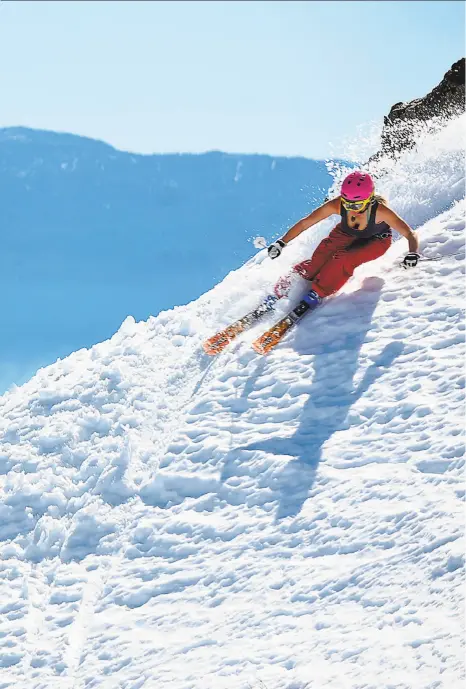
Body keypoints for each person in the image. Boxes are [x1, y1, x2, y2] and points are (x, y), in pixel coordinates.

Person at [267, 171, 420, 303]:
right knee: (323, 254)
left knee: (342, 259)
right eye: (347, 204)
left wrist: (412, 253)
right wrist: (281, 243)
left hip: (377, 240)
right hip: (346, 232)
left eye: (356, 205)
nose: (351, 209)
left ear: (369, 199)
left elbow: (409, 233)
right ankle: (299, 277)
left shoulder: (381, 211)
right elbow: (306, 223)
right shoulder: (337, 204)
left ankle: (319, 291)